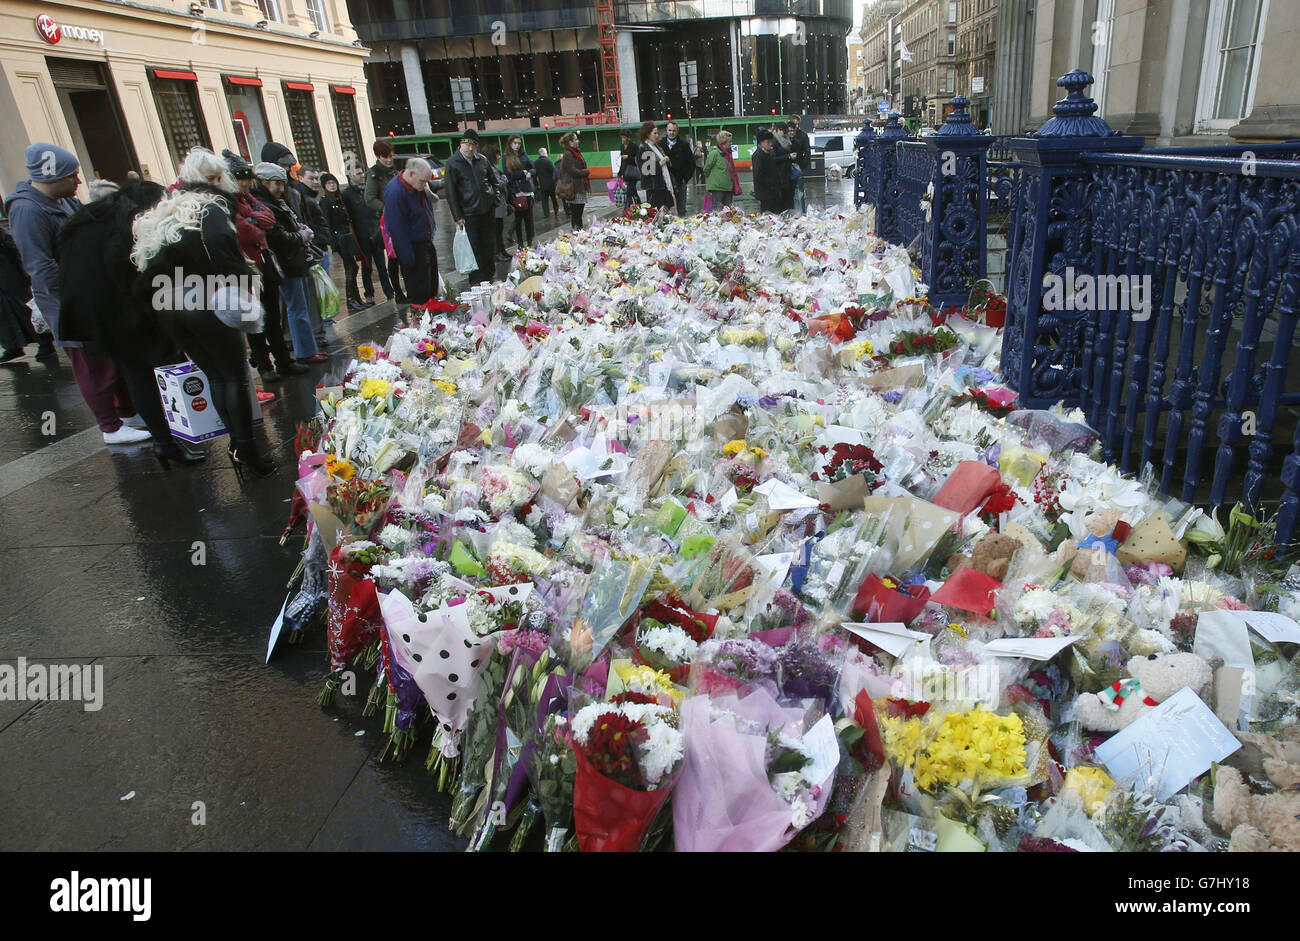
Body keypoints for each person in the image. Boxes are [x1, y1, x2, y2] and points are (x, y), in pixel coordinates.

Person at [130, 149, 276, 477]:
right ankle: (246, 449)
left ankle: (239, 446)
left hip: (170, 301)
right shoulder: (210, 206)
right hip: (207, 298)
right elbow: (221, 240)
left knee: (215, 375)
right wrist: (243, 280)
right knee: (234, 376)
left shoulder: (168, 207)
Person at [59, 171, 206, 468]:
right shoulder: (125, 225)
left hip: (97, 313)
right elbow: (133, 272)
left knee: (140, 374)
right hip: (121, 314)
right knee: (149, 373)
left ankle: (168, 438)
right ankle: (167, 441)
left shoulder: (93, 218)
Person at [6, 142, 151, 444]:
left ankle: (127, 413)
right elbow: (40, 267)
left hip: (89, 297)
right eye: (72, 176)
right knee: (92, 365)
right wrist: (78, 296)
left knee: (113, 357)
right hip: (69, 304)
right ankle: (110, 427)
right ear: (53, 175)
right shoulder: (27, 210)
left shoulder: (63, 203)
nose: (79, 182)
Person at [222, 149, 307, 385]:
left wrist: (256, 221)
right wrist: (256, 223)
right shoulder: (228, 202)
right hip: (246, 269)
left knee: (272, 318)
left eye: (248, 182)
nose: (246, 186)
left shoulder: (250, 199)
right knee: (254, 320)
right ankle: (264, 365)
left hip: (265, 265)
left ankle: (284, 361)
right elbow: (245, 232)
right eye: (242, 182)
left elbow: (268, 218)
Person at [251, 163, 326, 364]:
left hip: (294, 260)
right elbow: (278, 237)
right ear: (264, 182)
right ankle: (305, 351)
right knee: (297, 309)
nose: (281, 188)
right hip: (287, 263)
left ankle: (307, 349)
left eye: (283, 183)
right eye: (277, 183)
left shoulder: (274, 202)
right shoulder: (264, 205)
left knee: (300, 308)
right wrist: (300, 236)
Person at [382, 156, 438, 314]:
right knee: (420, 295)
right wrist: (409, 260)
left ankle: (432, 323)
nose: (424, 184)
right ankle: (422, 325)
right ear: (412, 174)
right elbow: (396, 229)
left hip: (425, 242)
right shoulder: (395, 191)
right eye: (422, 181)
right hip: (413, 248)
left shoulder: (416, 186)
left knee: (430, 289)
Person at [444, 129, 497, 286]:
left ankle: (489, 276)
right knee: (474, 248)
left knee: (488, 245)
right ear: (461, 144)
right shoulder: (453, 163)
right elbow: (451, 191)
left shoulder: (482, 160)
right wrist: (457, 215)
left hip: (486, 209)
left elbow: (493, 180)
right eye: (467, 145)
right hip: (468, 213)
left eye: (474, 145)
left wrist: (495, 198)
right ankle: (476, 281)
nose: (470, 149)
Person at [341, 164, 393, 303]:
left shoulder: (369, 190)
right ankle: (369, 294)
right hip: (361, 235)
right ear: (351, 176)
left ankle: (389, 292)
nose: (362, 176)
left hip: (375, 232)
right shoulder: (347, 194)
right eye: (358, 174)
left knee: (382, 265)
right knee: (367, 266)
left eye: (362, 173)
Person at [364, 139, 405, 305]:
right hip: (386, 222)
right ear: (378, 157)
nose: (389, 160)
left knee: (402, 255)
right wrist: (387, 208)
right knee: (393, 258)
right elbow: (369, 198)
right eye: (384, 157)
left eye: (390, 156)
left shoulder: (393, 171)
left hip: (400, 219)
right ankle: (397, 292)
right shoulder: (374, 174)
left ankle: (405, 288)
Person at [318, 173, 364, 312]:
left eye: (334, 182)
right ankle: (351, 299)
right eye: (329, 183)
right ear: (324, 186)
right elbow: (327, 222)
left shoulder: (339, 199)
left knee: (353, 267)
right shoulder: (325, 201)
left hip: (346, 236)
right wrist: (333, 243)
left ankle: (356, 298)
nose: (332, 185)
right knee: (351, 267)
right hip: (339, 238)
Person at [0, 228, 38, 363]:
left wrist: (22, 272)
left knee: (23, 310)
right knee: (5, 315)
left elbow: (13, 250)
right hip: (8, 279)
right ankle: (12, 346)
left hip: (9, 278)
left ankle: (44, 341)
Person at [503, 135, 536, 248]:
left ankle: (530, 241)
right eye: (515, 143)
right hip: (516, 192)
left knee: (528, 218)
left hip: (527, 190)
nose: (517, 145)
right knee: (518, 219)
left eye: (519, 143)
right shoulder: (506, 157)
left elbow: (533, 167)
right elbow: (508, 175)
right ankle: (521, 243)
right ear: (510, 144)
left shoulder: (523, 155)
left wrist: (530, 172)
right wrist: (523, 173)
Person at [481, 143, 511, 262]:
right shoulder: (491, 169)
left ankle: (502, 250)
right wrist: (504, 178)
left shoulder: (493, 167)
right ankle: (498, 252)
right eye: (497, 154)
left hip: (499, 204)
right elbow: (498, 184)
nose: (499, 157)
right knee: (496, 231)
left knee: (499, 229)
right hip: (496, 204)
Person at [556, 131, 592, 230]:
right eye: (576, 139)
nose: (578, 141)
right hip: (574, 188)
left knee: (579, 212)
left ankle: (579, 232)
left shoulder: (575, 152)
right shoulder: (568, 153)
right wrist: (585, 172)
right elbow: (571, 170)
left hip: (579, 187)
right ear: (571, 142)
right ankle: (577, 233)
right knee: (576, 213)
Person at [751, 129, 791, 214]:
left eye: (771, 141)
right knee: (767, 215)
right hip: (765, 192)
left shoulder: (770, 153)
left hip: (774, 191)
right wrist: (771, 183)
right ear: (761, 142)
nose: (770, 144)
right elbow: (758, 175)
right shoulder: (757, 155)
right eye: (768, 142)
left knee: (776, 214)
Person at [635, 123, 673, 212]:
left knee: (664, 211)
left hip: (661, 185)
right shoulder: (644, 148)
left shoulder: (656, 147)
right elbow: (647, 171)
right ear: (648, 134)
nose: (657, 135)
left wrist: (667, 160)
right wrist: (661, 163)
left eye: (657, 133)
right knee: (656, 212)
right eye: (654, 133)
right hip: (654, 187)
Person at [703, 130, 740, 210]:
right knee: (718, 212)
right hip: (717, 188)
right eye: (729, 141)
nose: (731, 143)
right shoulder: (715, 153)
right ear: (723, 141)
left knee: (728, 212)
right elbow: (706, 169)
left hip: (728, 188)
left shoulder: (729, 154)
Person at [663, 121, 695, 214]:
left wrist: (685, 178)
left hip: (680, 182)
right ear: (666, 130)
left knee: (681, 210)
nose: (671, 133)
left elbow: (691, 164)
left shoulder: (684, 145)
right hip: (665, 183)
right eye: (669, 130)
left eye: (674, 130)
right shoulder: (660, 144)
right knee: (666, 210)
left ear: (677, 131)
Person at [787, 118, 811, 214]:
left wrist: (802, 166)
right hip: (787, 171)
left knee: (799, 194)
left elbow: (807, 153)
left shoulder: (802, 136)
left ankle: (801, 213)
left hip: (798, 168)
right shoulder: (785, 138)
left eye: (796, 124)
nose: (794, 129)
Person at [617, 129, 640, 207]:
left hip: (633, 173)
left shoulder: (634, 146)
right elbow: (622, 161)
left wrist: (629, 157)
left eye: (624, 137)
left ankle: (627, 209)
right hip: (625, 173)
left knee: (628, 192)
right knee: (633, 192)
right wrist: (620, 173)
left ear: (628, 137)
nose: (623, 139)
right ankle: (639, 206)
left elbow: (638, 159)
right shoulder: (622, 147)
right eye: (622, 137)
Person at [534, 147, 558, 219]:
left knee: (544, 201)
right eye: (546, 152)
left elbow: (535, 175)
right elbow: (554, 172)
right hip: (551, 184)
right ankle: (556, 211)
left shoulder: (536, 163)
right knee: (554, 199)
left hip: (542, 185)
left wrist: (536, 184)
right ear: (544, 153)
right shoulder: (549, 161)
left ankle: (546, 214)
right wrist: (555, 182)